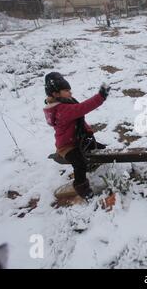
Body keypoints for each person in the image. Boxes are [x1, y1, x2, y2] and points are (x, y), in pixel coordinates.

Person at [43, 72, 111, 200]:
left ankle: (92, 166)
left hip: (78, 140)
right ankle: (81, 187)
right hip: (67, 146)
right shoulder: (62, 110)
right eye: (66, 90)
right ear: (55, 94)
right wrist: (100, 96)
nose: (70, 93)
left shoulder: (64, 103)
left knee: (100, 149)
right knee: (79, 163)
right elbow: (82, 108)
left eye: (70, 90)